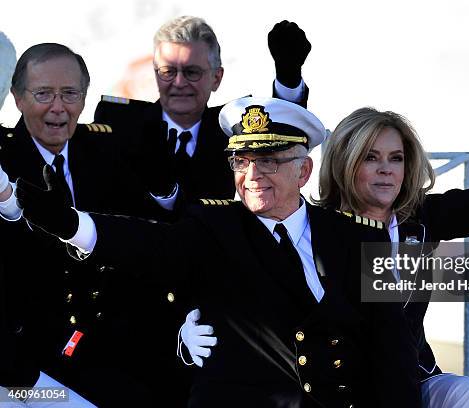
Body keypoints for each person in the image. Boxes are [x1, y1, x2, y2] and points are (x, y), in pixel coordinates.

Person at [178, 91, 469, 407]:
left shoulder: (421, 218)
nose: (385, 169)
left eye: (396, 158)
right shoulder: (316, 226)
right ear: (345, 162)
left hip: (410, 377)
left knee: (464, 392)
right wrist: (187, 324)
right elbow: (231, 257)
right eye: (371, 157)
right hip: (340, 384)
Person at [15, 96, 422, 407]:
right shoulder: (213, 230)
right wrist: (70, 223)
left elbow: (393, 347)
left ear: (303, 171)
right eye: (241, 161)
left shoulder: (360, 239)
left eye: (269, 161)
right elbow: (144, 245)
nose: (252, 175)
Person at [0, 43, 185, 407]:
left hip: (114, 344)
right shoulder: (3, 160)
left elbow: (156, 233)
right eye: (43, 94)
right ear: (17, 98)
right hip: (30, 362)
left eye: (70, 94)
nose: (58, 107)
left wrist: (164, 184)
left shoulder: (107, 150)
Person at [94, 16, 312, 204]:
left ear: (216, 78)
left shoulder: (234, 127)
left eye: (192, 72)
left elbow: (284, 137)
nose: (178, 83)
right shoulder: (120, 122)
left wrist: (288, 77)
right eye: (168, 71)